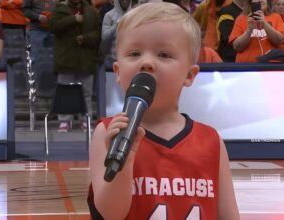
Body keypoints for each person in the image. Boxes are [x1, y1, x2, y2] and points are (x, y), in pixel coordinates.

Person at [88, 2, 240, 219]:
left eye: (164, 54)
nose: (147, 62)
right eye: (134, 53)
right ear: (118, 72)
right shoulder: (107, 132)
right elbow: (110, 214)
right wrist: (125, 161)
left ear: (189, 75)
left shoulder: (211, 141)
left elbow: (229, 215)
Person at [49, 0, 101, 132]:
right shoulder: (59, 9)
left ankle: (86, 119)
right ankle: (65, 121)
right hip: (66, 58)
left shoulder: (92, 11)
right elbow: (53, 27)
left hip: (86, 58)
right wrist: (73, 19)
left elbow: (98, 34)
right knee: (65, 91)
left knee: (87, 93)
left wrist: (86, 38)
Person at [99, 0, 131, 65]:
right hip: (112, 59)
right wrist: (116, 26)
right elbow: (104, 37)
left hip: (131, 58)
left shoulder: (135, 14)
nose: (125, 2)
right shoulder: (109, 15)